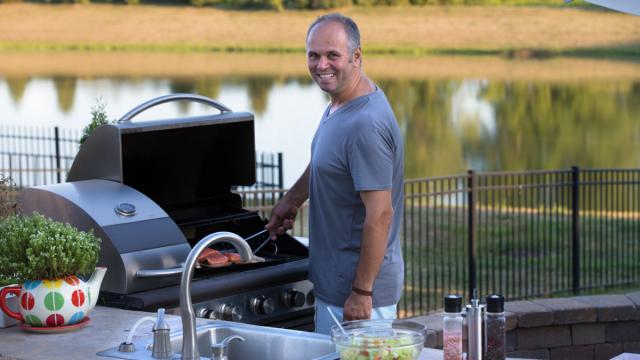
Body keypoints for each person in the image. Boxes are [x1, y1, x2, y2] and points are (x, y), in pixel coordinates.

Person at [265, 13, 404, 335]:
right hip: (337, 287)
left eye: (332, 55)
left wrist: (362, 291)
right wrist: (292, 199)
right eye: (313, 55)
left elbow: (381, 214)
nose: (321, 64)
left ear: (356, 57)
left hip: (357, 296)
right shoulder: (340, 104)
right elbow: (327, 160)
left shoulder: (365, 124)